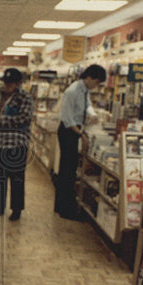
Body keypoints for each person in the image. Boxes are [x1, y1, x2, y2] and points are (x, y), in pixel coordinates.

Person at [54, 64, 107, 219]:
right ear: (89, 77)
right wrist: (81, 134)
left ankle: (62, 206)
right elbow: (66, 118)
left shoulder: (84, 90)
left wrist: (92, 113)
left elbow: (88, 105)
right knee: (67, 171)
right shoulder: (72, 91)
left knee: (69, 170)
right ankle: (65, 210)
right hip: (68, 131)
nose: (96, 86)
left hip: (74, 130)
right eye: (96, 82)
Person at [0, 67, 34, 221]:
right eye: (5, 82)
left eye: (10, 83)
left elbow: (25, 118)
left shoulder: (24, 97)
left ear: (18, 83)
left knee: (17, 178)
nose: (7, 85)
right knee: (0, 177)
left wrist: (2, 120)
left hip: (16, 143)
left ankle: (16, 209)